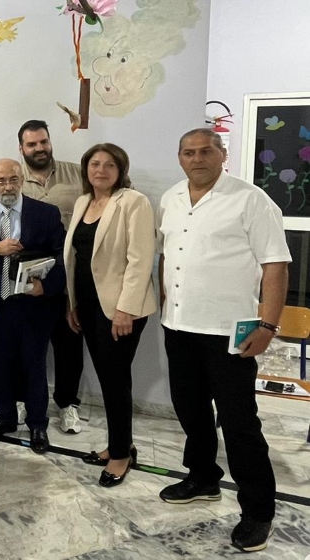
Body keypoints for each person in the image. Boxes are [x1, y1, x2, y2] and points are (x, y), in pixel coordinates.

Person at [157, 128, 290, 553]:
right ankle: (202, 478)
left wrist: (268, 326)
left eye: (205, 151)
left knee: (239, 423)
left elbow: (275, 265)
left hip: (229, 333)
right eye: (188, 152)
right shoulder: (171, 198)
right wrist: (164, 299)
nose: (197, 159)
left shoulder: (252, 200)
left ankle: (258, 511)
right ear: (180, 157)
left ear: (222, 154)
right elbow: (169, 255)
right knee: (190, 411)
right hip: (179, 326)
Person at [0, 159, 66, 454]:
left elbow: (63, 256)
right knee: (1, 365)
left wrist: (46, 286)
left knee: (34, 366)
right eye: (1, 181)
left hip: (33, 304)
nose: (7, 186)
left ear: (22, 181)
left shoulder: (45, 213)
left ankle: (38, 424)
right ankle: (4, 418)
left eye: (13, 180)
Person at [63, 143, 156, 487]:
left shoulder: (133, 202)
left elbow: (140, 260)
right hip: (88, 304)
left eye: (109, 165)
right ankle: (121, 443)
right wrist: (73, 303)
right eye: (94, 164)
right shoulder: (83, 203)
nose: (100, 170)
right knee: (108, 378)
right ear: (86, 169)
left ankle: (120, 456)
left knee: (115, 379)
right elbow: (77, 259)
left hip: (119, 309)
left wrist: (125, 309)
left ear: (120, 170)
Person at [18, 119, 85, 434]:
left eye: (43, 141)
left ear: (50, 142)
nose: (39, 148)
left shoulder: (78, 174)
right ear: (21, 148)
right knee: (27, 342)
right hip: (28, 278)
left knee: (69, 343)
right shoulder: (14, 178)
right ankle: (23, 398)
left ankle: (68, 404)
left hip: (69, 276)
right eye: (31, 144)